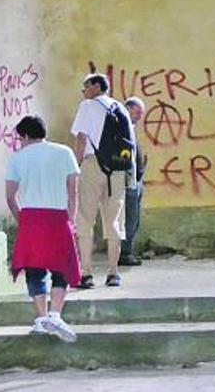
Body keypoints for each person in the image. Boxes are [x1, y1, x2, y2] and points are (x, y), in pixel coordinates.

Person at [5, 115, 80, 343]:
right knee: (61, 266)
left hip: (31, 217)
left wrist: (22, 219)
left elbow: (10, 196)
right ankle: (55, 315)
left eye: (21, 138)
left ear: (26, 135)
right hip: (58, 215)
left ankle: (41, 317)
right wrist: (71, 218)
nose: (20, 142)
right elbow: (73, 190)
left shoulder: (17, 158)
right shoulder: (65, 152)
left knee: (34, 267)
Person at [71, 73, 133, 288]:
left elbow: (81, 138)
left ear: (97, 86)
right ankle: (113, 273)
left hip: (92, 164)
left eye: (86, 87)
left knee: (85, 219)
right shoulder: (120, 107)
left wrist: (76, 166)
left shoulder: (87, 106)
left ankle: (86, 273)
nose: (84, 91)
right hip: (117, 169)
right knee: (114, 220)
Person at [120, 97, 147, 267]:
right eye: (137, 112)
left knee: (133, 218)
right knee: (129, 218)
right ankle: (124, 253)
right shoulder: (122, 128)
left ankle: (127, 251)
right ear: (128, 109)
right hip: (129, 181)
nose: (139, 116)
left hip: (135, 180)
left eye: (141, 113)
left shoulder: (129, 128)